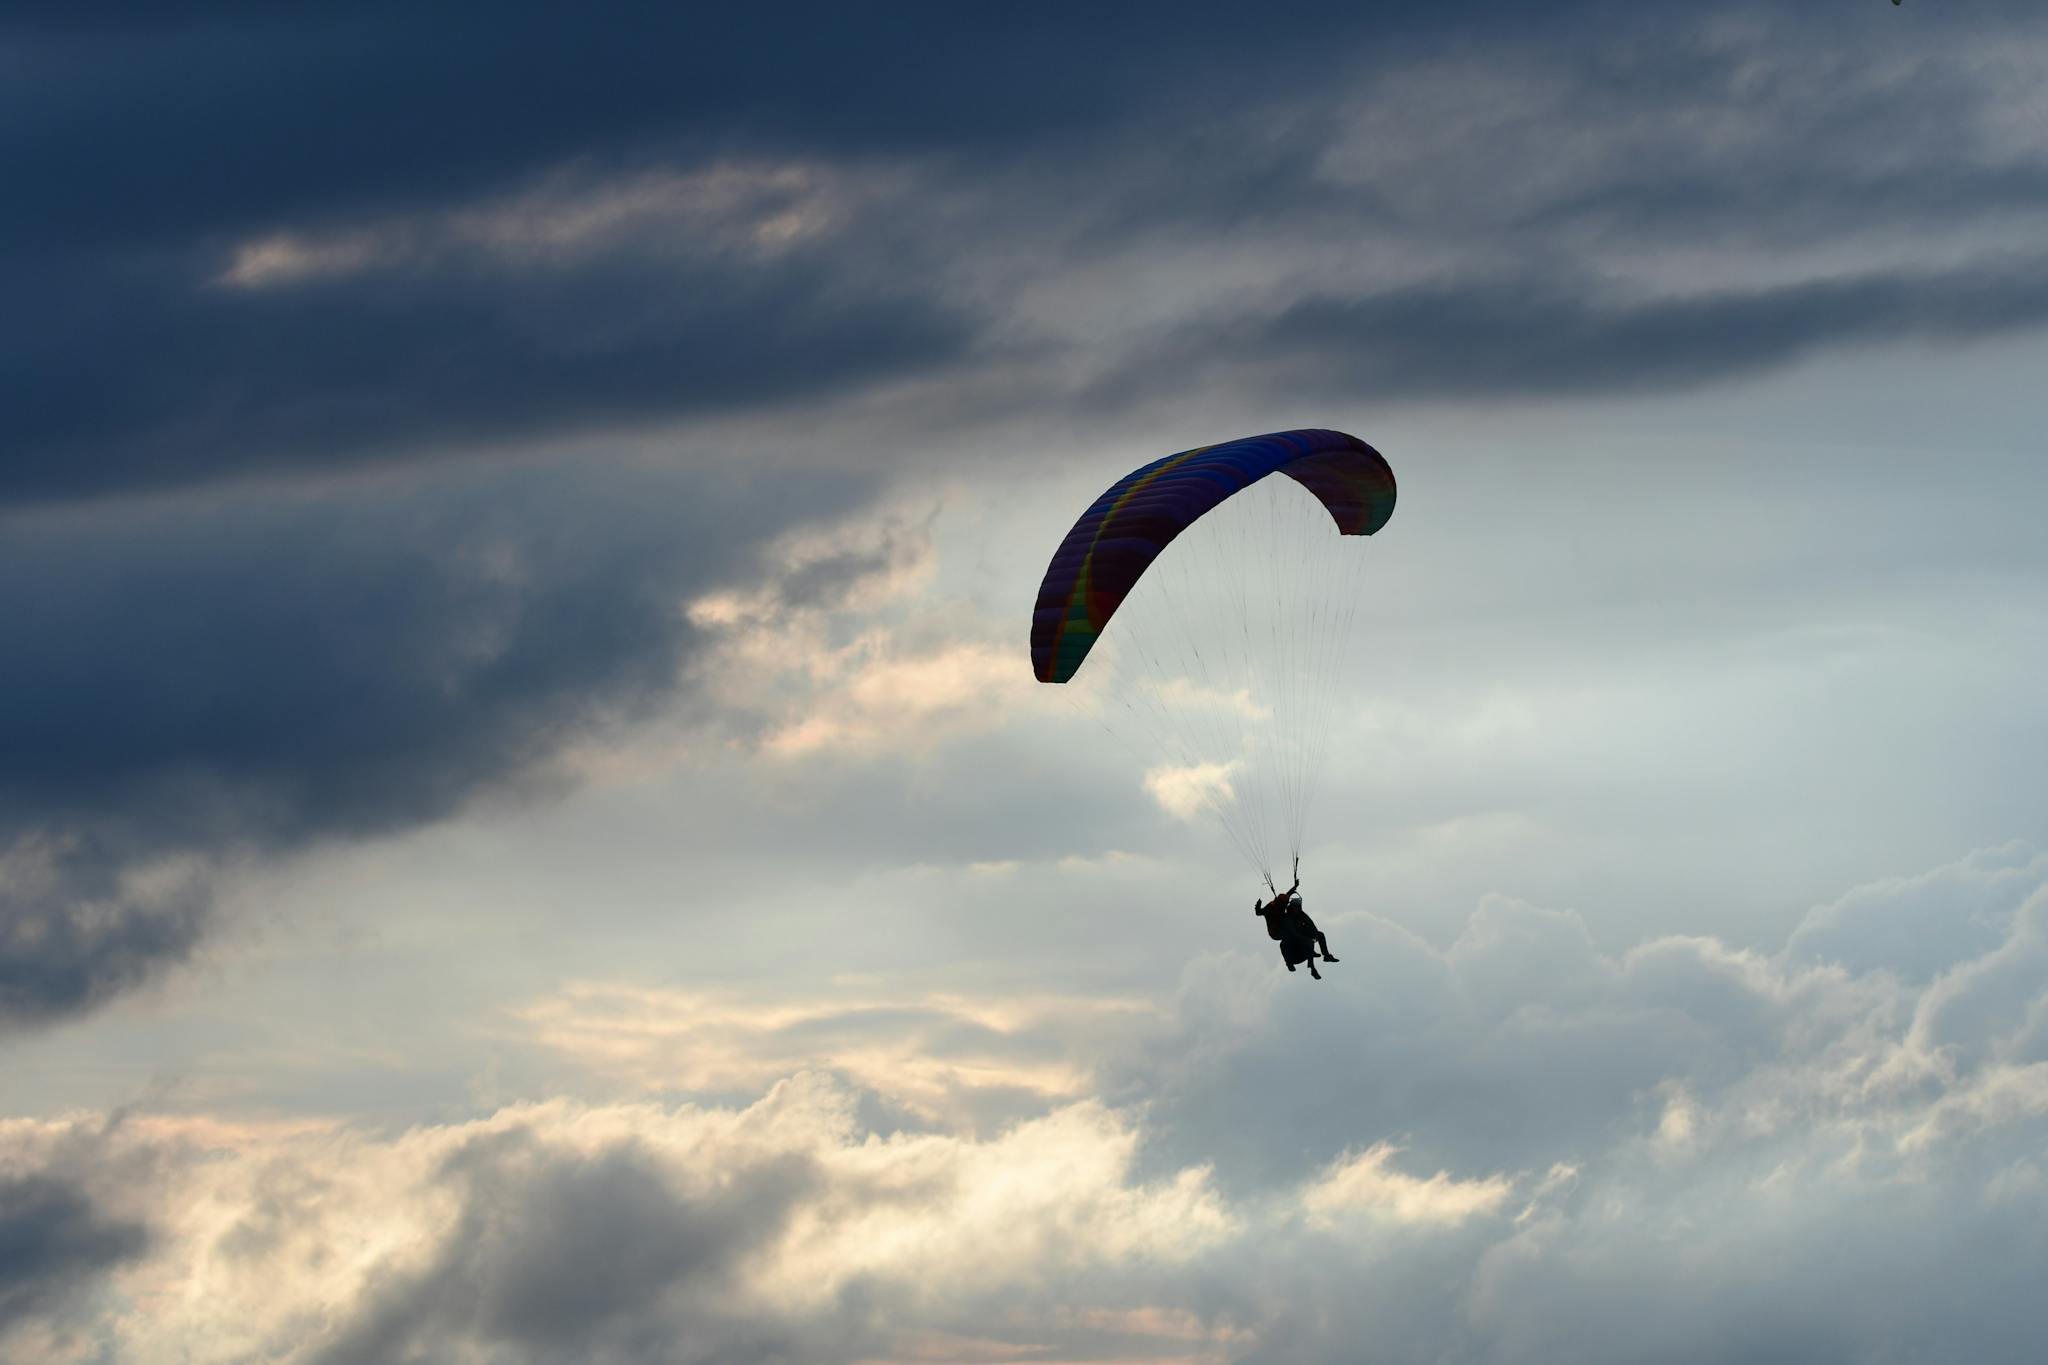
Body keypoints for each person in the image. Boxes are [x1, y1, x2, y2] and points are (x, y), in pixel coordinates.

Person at [1253, 874, 1338, 979]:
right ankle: (1289, 962)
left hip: (1283, 927)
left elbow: (1288, 894)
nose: (1286, 906)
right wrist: (1258, 906)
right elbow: (1259, 913)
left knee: (1317, 934)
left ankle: (1325, 955)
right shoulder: (1270, 908)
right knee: (1289, 937)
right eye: (1285, 904)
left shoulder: (1283, 904)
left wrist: (1295, 886)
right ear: (1279, 903)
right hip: (1275, 932)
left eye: (1286, 904)